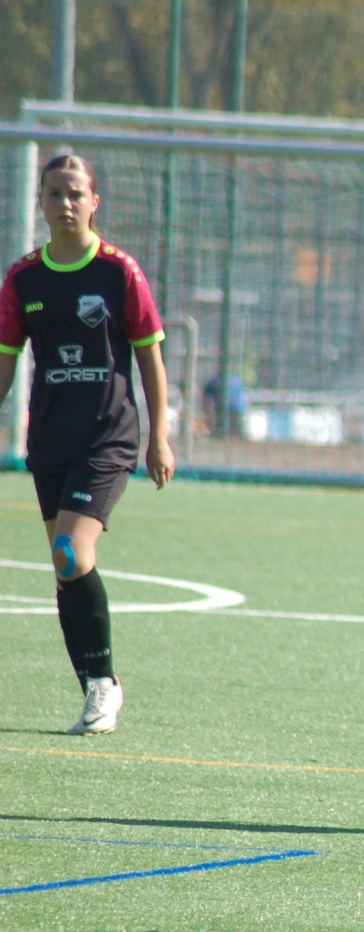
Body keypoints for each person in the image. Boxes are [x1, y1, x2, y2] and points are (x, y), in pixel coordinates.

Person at [0, 152, 171, 735]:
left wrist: (159, 438)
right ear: (41, 202)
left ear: (95, 202)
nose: (65, 203)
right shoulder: (24, 279)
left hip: (108, 436)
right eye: (55, 193)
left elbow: (149, 356)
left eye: (76, 193)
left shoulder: (118, 272)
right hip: (50, 439)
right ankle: (96, 686)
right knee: (63, 567)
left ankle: (103, 686)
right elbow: (5, 361)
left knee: (71, 554)